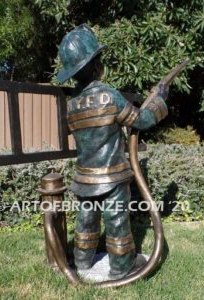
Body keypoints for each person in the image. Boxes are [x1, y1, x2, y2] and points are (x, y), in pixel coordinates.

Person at [57, 24, 169, 280]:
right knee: (117, 221)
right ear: (97, 64)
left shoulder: (71, 104)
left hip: (85, 177)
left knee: (86, 220)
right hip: (113, 177)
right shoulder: (108, 96)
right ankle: (121, 267)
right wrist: (161, 101)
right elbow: (141, 120)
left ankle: (82, 263)